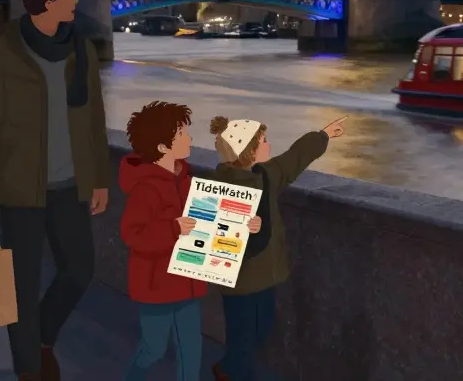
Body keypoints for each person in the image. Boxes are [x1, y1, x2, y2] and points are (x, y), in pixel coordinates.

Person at [0, 0, 111, 381]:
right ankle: (30, 369)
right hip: (18, 190)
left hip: (69, 185)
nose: (75, 0)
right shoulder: (3, 54)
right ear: (46, 2)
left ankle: (42, 336)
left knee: (79, 270)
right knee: (20, 290)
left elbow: (93, 120)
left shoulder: (80, 49)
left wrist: (98, 176)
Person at [208, 114, 347, 381]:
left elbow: (293, 159)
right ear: (248, 152)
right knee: (243, 340)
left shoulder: (266, 175)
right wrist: (242, 228)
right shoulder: (220, 184)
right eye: (263, 142)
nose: (269, 146)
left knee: (261, 330)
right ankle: (232, 373)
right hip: (241, 280)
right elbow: (212, 230)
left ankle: (226, 368)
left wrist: (323, 135)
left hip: (267, 277)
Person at [120, 101, 232, 381]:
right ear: (162, 147)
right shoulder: (146, 188)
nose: (189, 138)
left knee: (191, 348)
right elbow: (133, 234)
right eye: (182, 133)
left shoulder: (186, 178)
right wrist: (172, 229)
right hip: (156, 286)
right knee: (153, 348)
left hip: (187, 279)